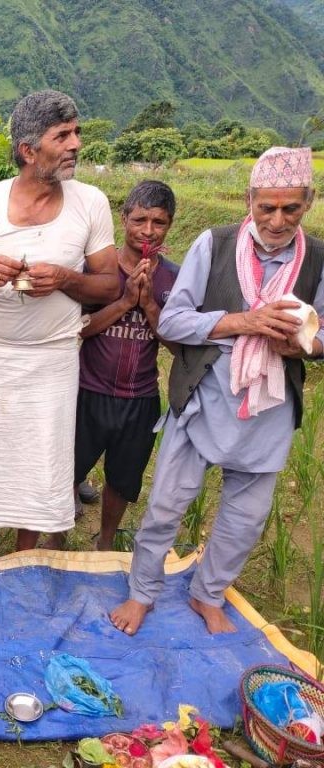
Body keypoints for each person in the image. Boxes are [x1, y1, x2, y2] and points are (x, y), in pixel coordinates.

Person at [111, 147, 324, 636]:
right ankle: (142, 592)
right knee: (166, 503)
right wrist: (245, 321)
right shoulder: (215, 244)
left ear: (307, 203)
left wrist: (299, 345)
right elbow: (175, 320)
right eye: (265, 206)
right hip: (206, 392)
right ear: (248, 199)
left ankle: (208, 593)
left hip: (268, 401)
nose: (276, 219)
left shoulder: (319, 258)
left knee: (244, 519)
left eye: (289, 208)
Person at [0, 90, 118, 558]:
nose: (75, 144)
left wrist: (64, 278)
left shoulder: (91, 203)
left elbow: (109, 286)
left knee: (38, 464)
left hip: (53, 359)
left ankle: (24, 555)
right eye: (62, 135)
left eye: (76, 132)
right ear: (28, 150)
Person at [71, 180, 180, 551]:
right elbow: (78, 331)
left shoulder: (174, 278)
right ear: (123, 219)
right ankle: (52, 542)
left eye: (159, 223)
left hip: (140, 397)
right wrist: (123, 302)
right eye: (139, 220)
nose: (147, 231)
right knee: (66, 469)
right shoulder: (98, 271)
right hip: (88, 391)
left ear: (170, 225)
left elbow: (178, 345)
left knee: (122, 478)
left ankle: (104, 543)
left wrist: (149, 305)